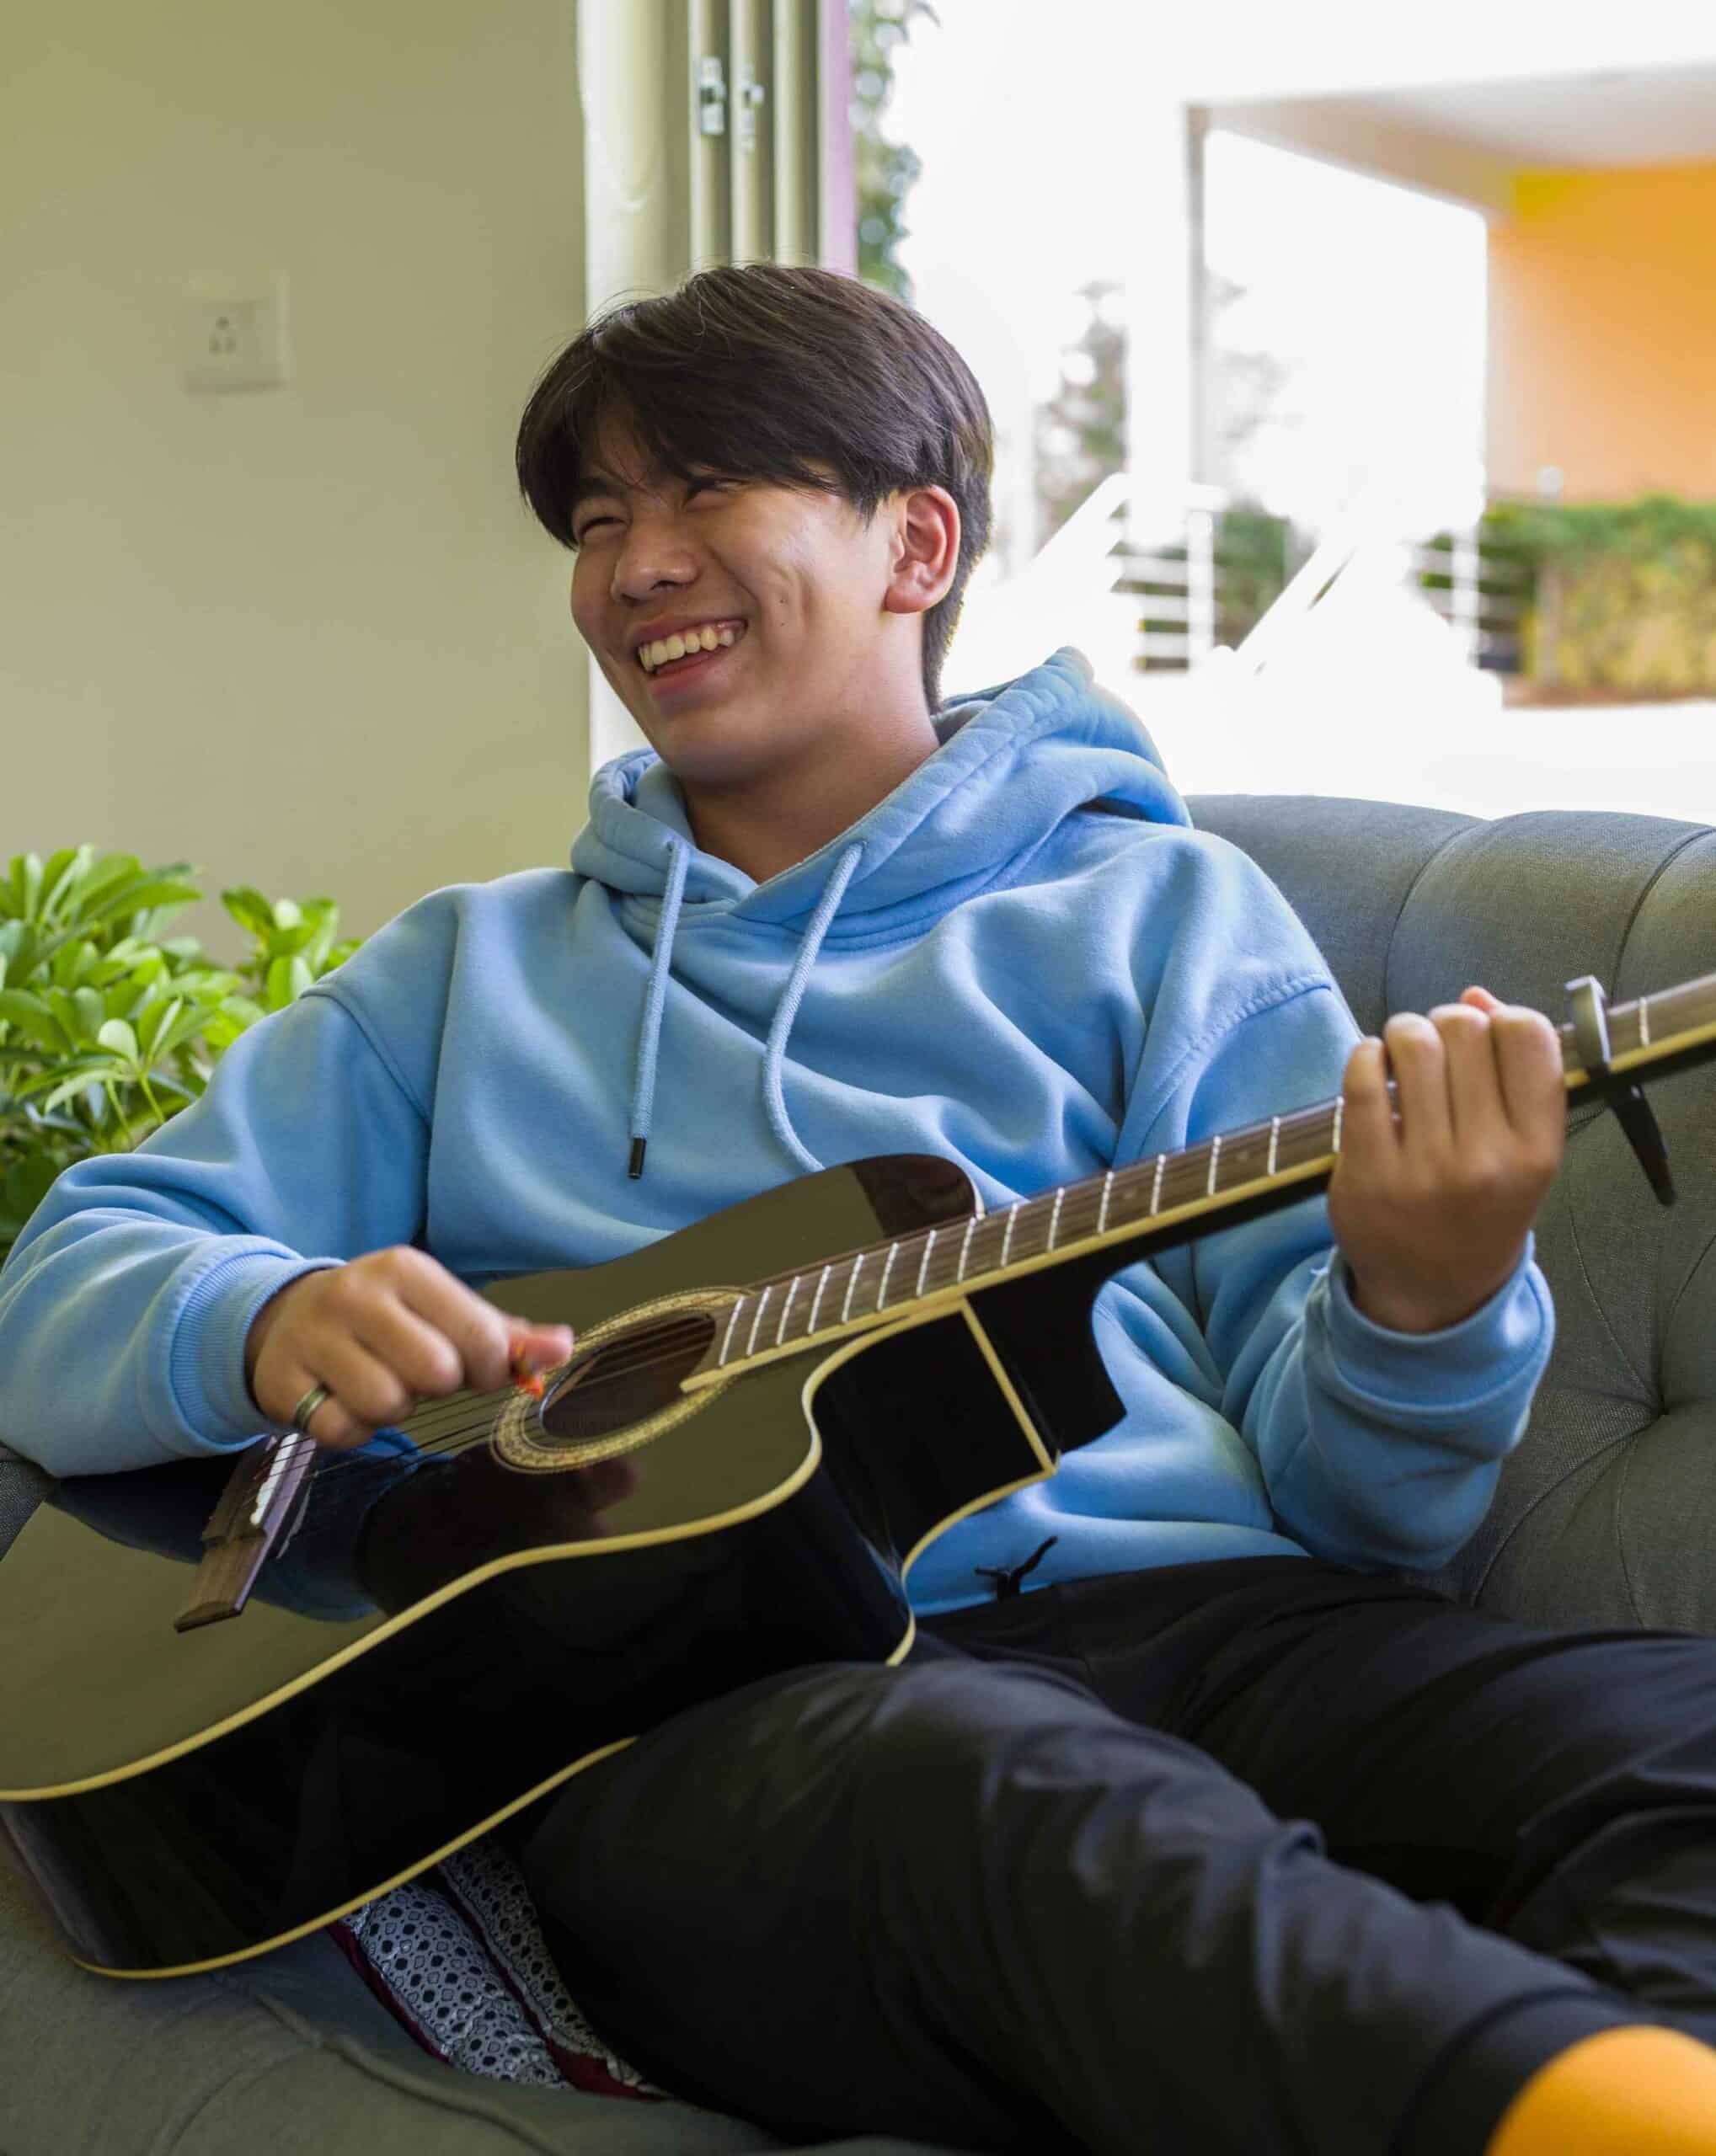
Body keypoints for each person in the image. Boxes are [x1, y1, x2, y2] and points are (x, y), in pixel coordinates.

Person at [3, 261, 1716, 2156]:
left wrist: (1424, 1298)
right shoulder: (460, 972)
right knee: (990, 1794)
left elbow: (1364, 1515)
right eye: (596, 519)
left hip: (1215, 1627)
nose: (634, 565)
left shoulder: (1165, 918)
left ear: (917, 542)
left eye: (704, 489)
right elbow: (66, 1273)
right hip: (712, 1718)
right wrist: (255, 1319)